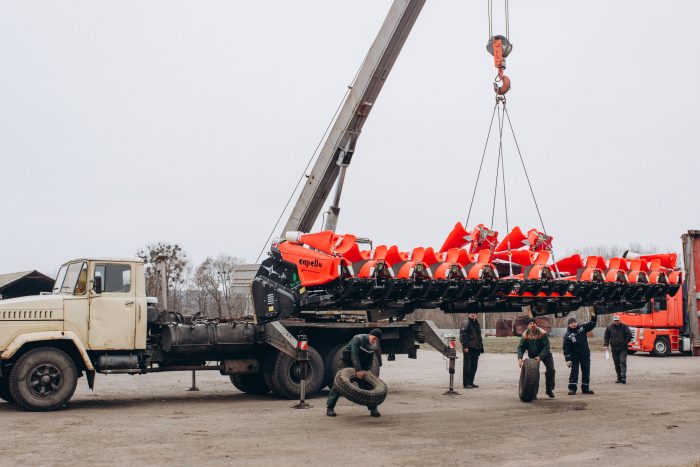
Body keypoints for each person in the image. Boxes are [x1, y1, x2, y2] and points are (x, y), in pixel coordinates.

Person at [326, 329, 383, 417]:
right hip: (347, 361)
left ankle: (373, 408)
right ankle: (330, 408)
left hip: (361, 362)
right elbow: (354, 355)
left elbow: (370, 358)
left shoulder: (374, 345)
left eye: (377, 340)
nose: (374, 341)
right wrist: (358, 370)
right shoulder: (358, 338)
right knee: (338, 382)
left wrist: (367, 370)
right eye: (374, 338)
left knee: (366, 385)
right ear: (370, 335)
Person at [517, 319, 555, 398]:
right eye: (530, 324)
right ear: (528, 326)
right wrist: (520, 358)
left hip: (545, 354)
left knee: (551, 370)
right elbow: (521, 347)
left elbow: (546, 347)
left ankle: (549, 389)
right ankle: (534, 393)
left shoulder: (542, 333)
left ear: (536, 325)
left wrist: (540, 357)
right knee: (534, 374)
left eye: (534, 323)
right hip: (533, 355)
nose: (532, 325)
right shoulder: (525, 335)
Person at [563, 312, 598, 395]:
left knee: (586, 371)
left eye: (574, 322)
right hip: (574, 357)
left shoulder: (582, 328)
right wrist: (568, 359)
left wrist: (594, 317)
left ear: (576, 322)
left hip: (585, 355)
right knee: (574, 372)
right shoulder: (567, 335)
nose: (573, 324)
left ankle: (585, 388)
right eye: (571, 323)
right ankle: (572, 389)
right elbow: (566, 348)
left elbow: (592, 324)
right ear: (569, 325)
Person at [604, 315, 633, 384]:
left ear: (620, 320)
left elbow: (629, 335)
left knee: (622, 362)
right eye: (615, 321)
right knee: (616, 363)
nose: (616, 322)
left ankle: (623, 378)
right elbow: (606, 337)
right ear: (613, 321)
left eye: (617, 320)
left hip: (623, 348)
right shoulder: (609, 327)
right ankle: (619, 378)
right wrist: (606, 345)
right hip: (614, 349)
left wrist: (625, 342)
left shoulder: (625, 326)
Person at [460, 313, 484, 388]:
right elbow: (463, 335)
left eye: (474, 313)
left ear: (477, 315)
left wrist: (481, 347)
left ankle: (470, 382)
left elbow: (478, 336)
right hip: (469, 348)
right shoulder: (466, 322)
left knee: (474, 366)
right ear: (468, 314)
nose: (473, 315)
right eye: (471, 313)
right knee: (467, 366)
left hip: (476, 348)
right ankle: (466, 383)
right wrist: (465, 347)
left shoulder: (476, 323)